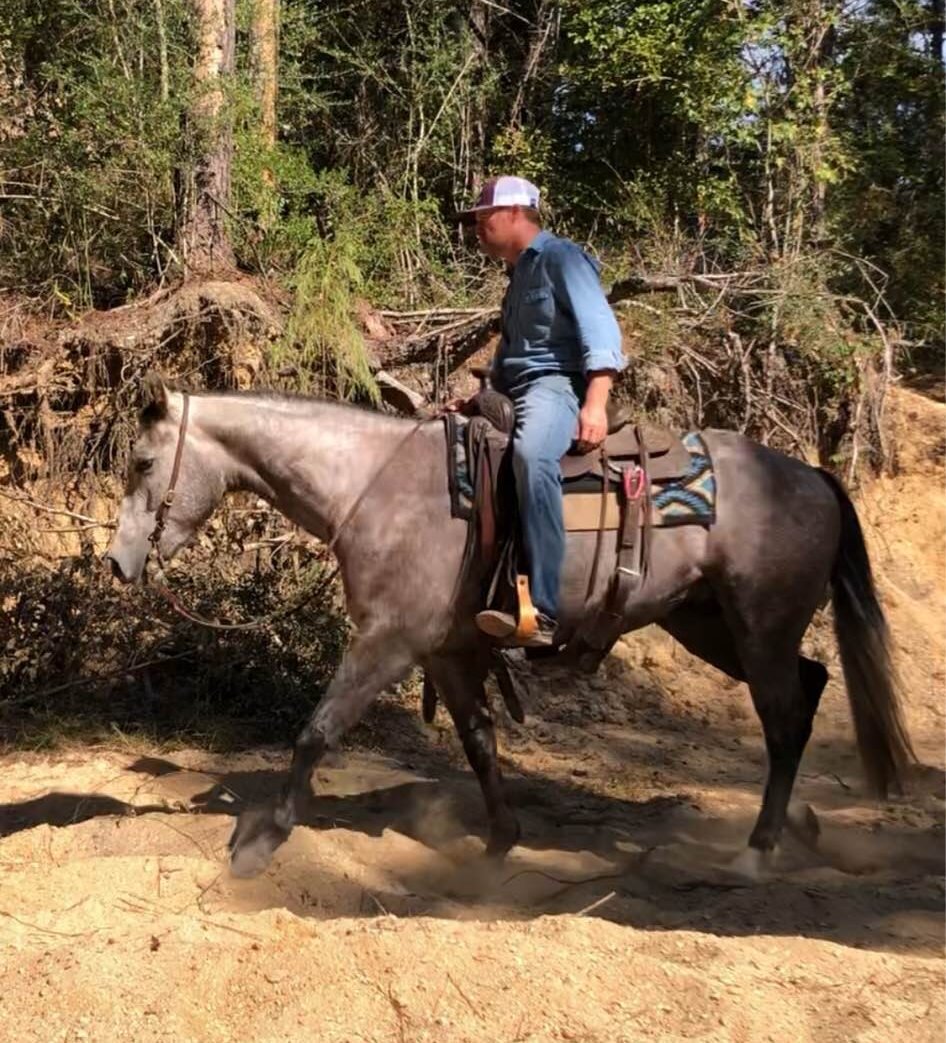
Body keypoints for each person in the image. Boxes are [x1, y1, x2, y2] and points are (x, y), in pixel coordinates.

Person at [452, 175, 624, 647]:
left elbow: (602, 333)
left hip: (557, 387)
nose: (476, 228)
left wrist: (595, 404)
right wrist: (477, 399)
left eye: (482, 218)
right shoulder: (518, 277)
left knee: (531, 456)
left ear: (512, 214)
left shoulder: (562, 258)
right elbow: (512, 356)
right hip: (516, 389)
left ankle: (543, 610)